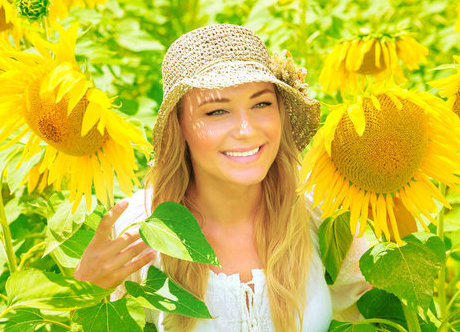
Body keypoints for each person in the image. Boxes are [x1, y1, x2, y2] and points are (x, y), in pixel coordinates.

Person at [74, 24, 371, 332]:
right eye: (216, 112)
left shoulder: (315, 207)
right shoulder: (141, 231)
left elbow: (377, 305)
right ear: (180, 127)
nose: (246, 129)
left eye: (261, 104)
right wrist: (87, 290)